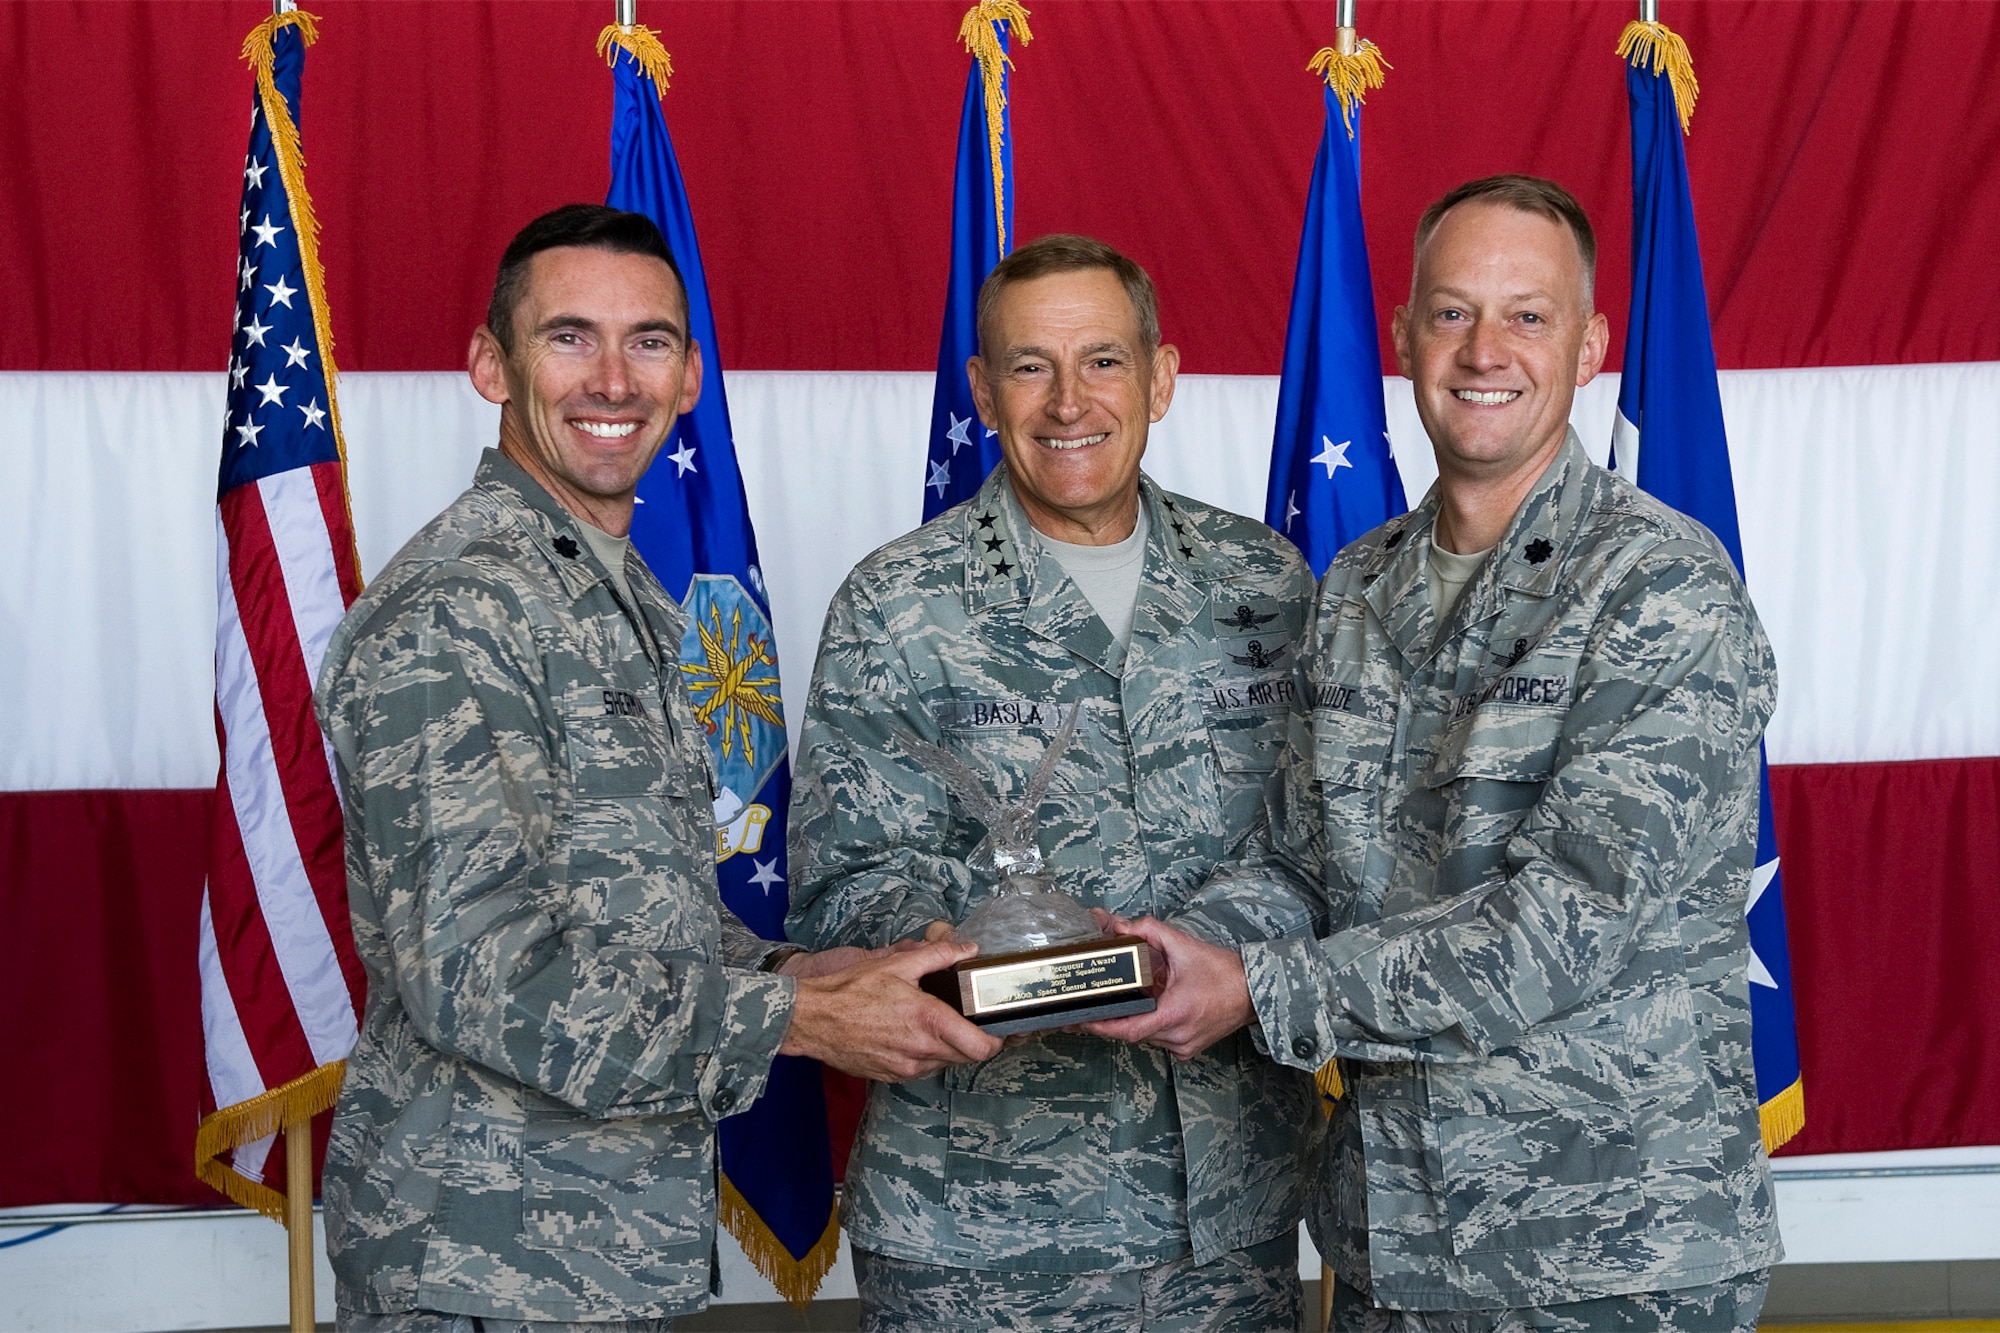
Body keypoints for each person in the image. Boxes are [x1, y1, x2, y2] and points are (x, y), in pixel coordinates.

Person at [1090, 176, 1784, 1330]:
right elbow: (1301, 863)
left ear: (1589, 343)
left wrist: (1255, 987)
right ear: (1404, 338)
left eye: (1527, 314)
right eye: (1452, 313)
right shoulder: (1360, 585)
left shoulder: (1660, 590)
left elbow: (1562, 927)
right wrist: (1157, 951)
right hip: (1389, 1247)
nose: (1483, 351)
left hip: (1607, 1258)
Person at [315, 203, 1000, 1331]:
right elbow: (480, 975)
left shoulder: (611, 590)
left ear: (689, 377)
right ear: (491, 364)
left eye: (648, 342)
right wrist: (798, 1025)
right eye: (569, 336)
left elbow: (641, 912)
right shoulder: (458, 612)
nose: (613, 379)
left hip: (600, 1249)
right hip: (480, 1262)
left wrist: (824, 970)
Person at [786, 234, 1324, 1332]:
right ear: (983, 390)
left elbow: (1310, 847)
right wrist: (994, 954)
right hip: (979, 1224)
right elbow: (842, 889)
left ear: (1160, 377)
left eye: (1103, 361)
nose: (1067, 401)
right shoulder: (895, 602)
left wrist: (1197, 958)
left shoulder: (1264, 584)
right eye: (1029, 366)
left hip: (1227, 1207)